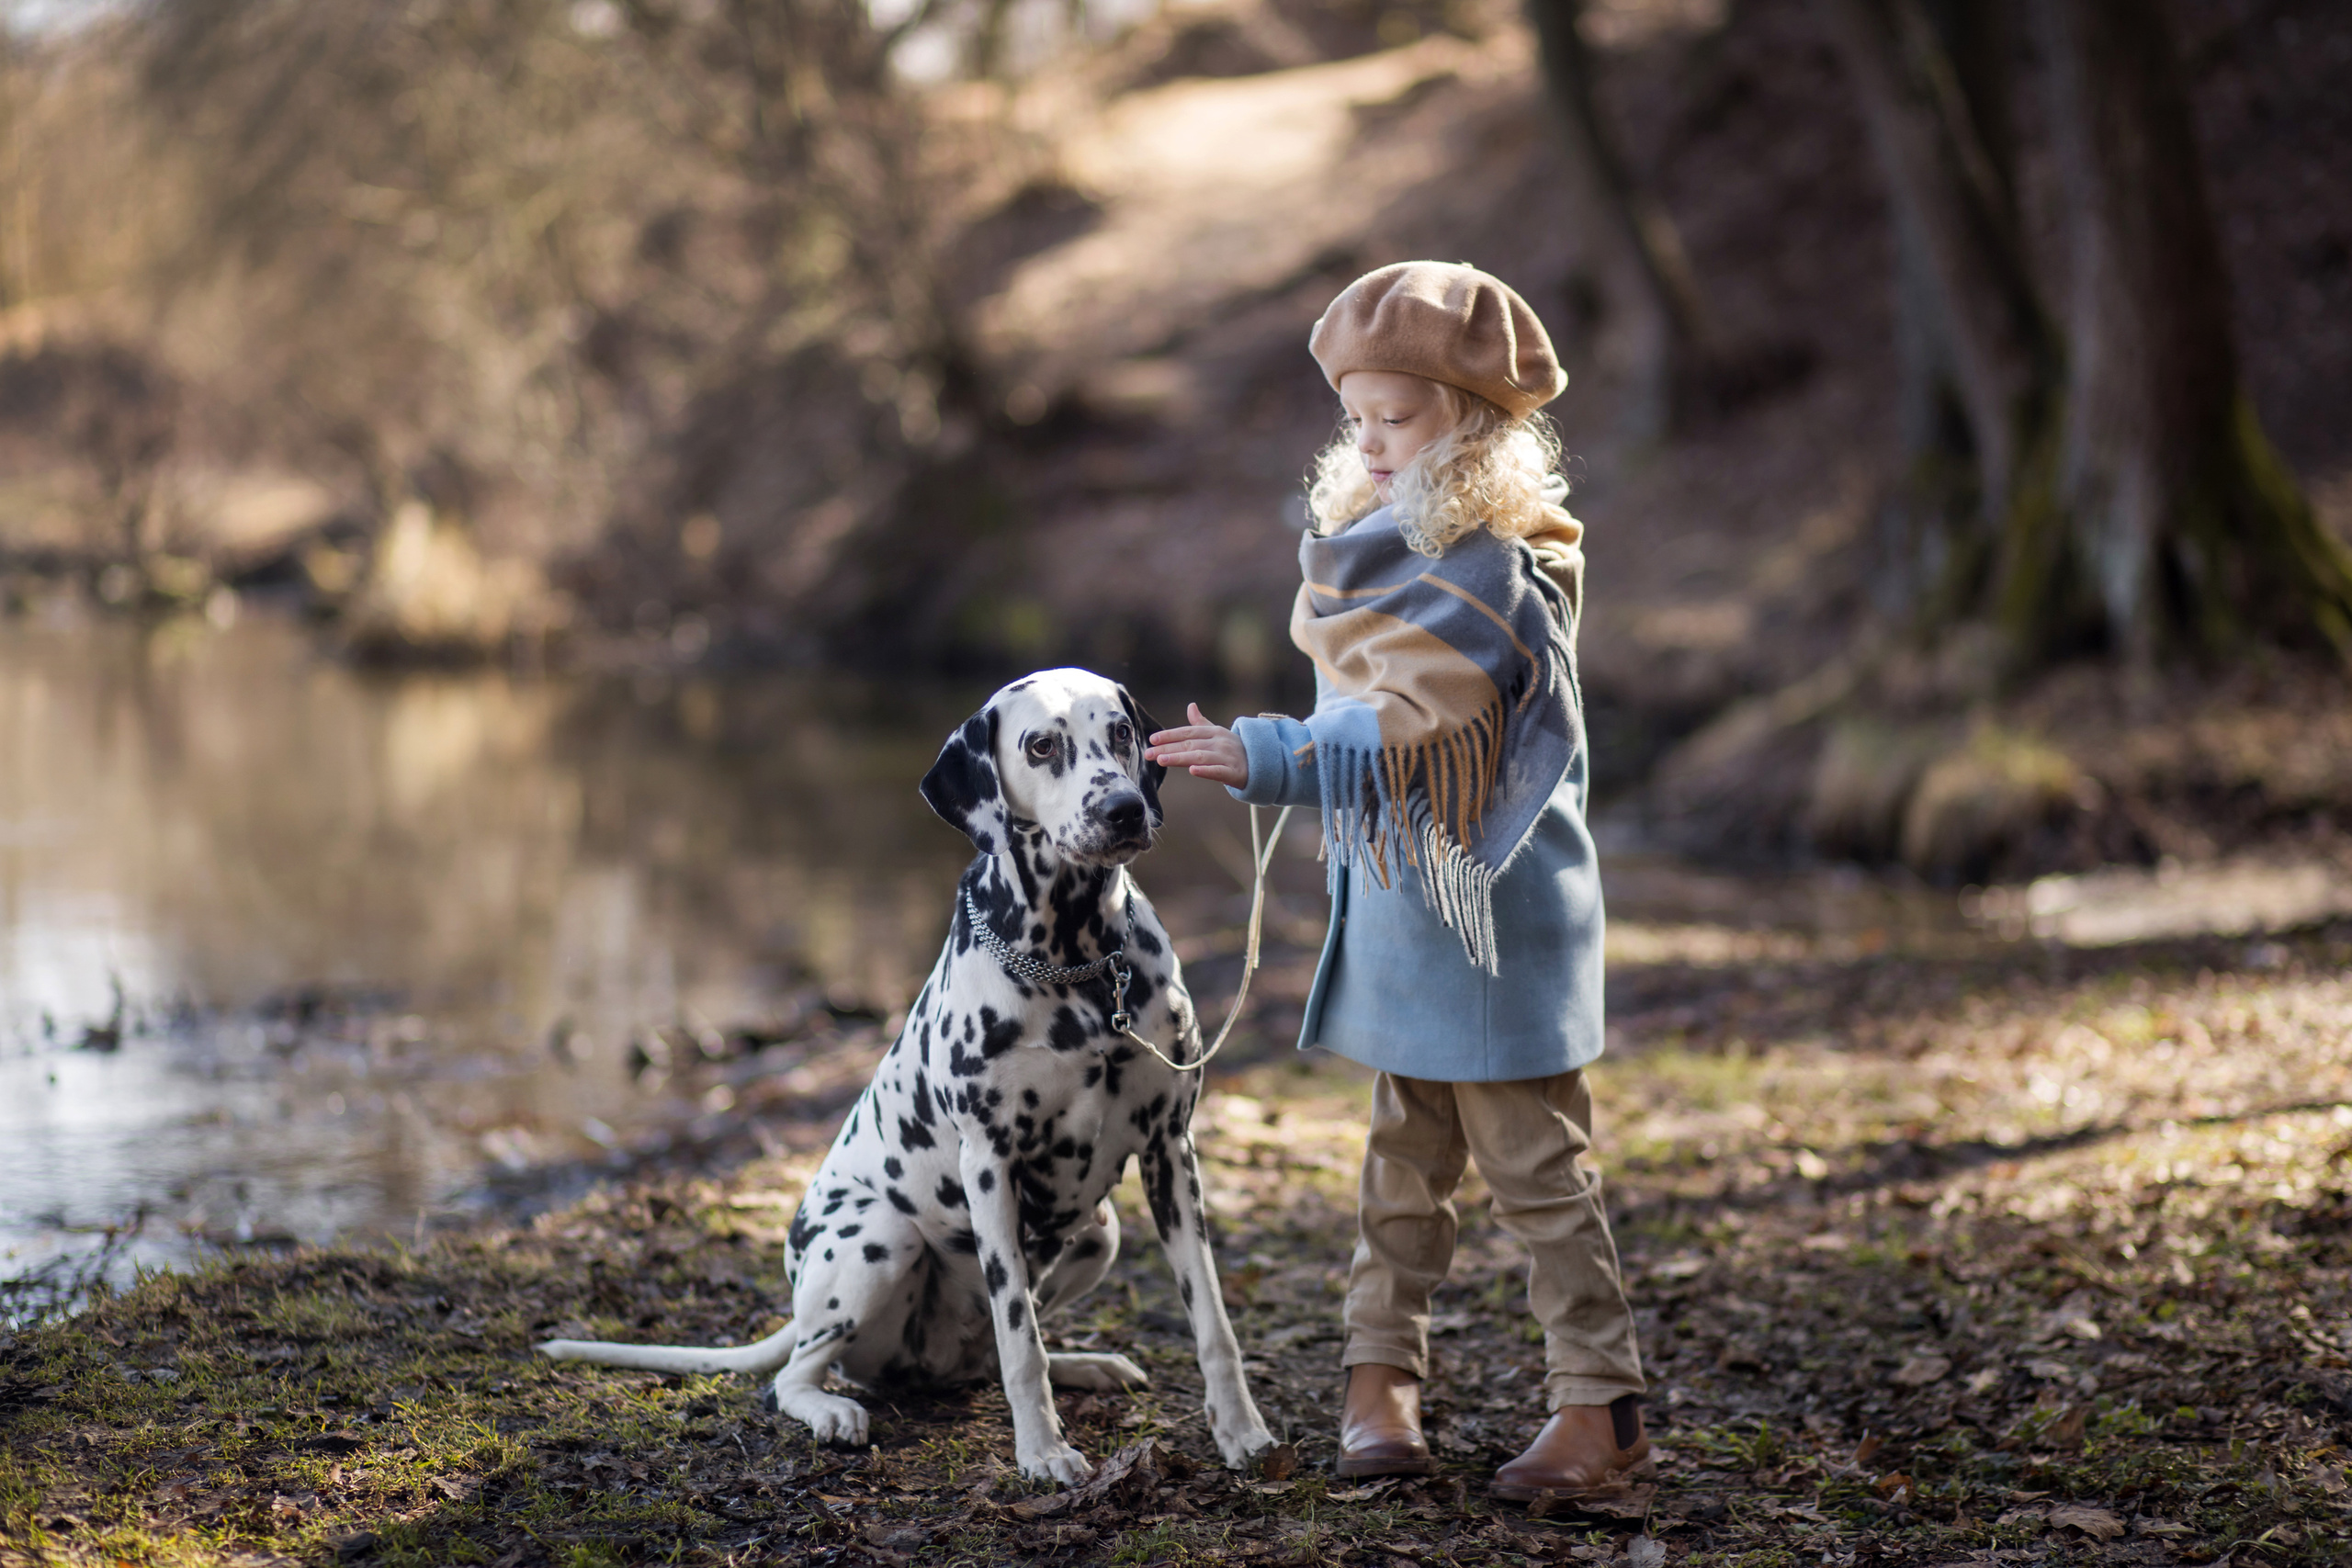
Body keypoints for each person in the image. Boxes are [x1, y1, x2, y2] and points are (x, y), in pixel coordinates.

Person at [1145, 261, 1648, 1497]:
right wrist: (1281, 755)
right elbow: (1371, 721)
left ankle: (1601, 1407)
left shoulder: (1492, 569)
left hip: (1496, 921)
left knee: (1538, 1173)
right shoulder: (1376, 552)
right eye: (1356, 416)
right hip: (1410, 915)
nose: (1370, 443)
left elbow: (1421, 725)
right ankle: (1383, 1388)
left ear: (1471, 421)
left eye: (1400, 418)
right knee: (1400, 1177)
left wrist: (1265, 751)